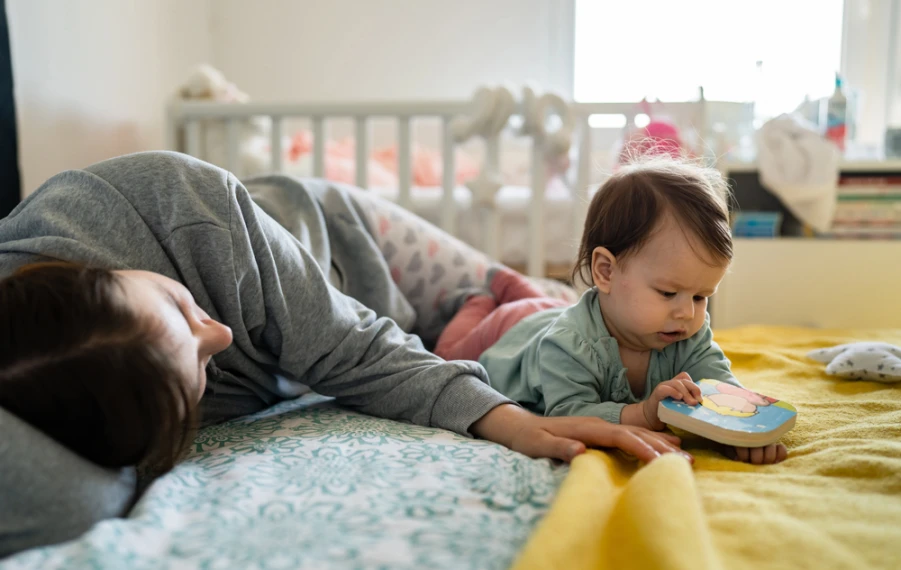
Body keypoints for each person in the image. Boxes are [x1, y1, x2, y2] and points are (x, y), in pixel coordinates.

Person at [0, 151, 690, 477]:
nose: (222, 333)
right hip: (353, 336)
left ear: (99, 272)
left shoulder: (187, 208)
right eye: (200, 369)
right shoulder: (87, 392)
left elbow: (352, 345)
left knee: (540, 305)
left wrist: (514, 423)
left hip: (345, 244)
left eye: (184, 308)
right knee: (498, 334)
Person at [435, 158, 788, 465]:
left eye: (701, 297)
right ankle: (478, 299)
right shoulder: (567, 345)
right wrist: (642, 414)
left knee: (546, 301)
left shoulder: (688, 334)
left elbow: (721, 389)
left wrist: (744, 434)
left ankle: (517, 287)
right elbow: (568, 414)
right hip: (513, 331)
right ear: (605, 272)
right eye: (668, 292)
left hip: (557, 310)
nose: (686, 312)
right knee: (444, 356)